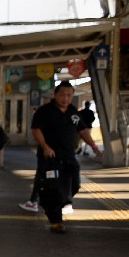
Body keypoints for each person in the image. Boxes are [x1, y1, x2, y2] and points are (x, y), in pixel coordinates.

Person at [31, 81, 101, 232]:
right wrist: (45, 147)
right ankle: (56, 221)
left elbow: (82, 130)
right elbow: (36, 130)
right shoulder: (44, 111)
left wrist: (94, 147)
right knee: (52, 187)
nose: (65, 98)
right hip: (50, 157)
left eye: (69, 95)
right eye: (62, 95)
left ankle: (58, 204)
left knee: (74, 184)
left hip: (69, 156)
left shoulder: (73, 112)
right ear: (56, 94)